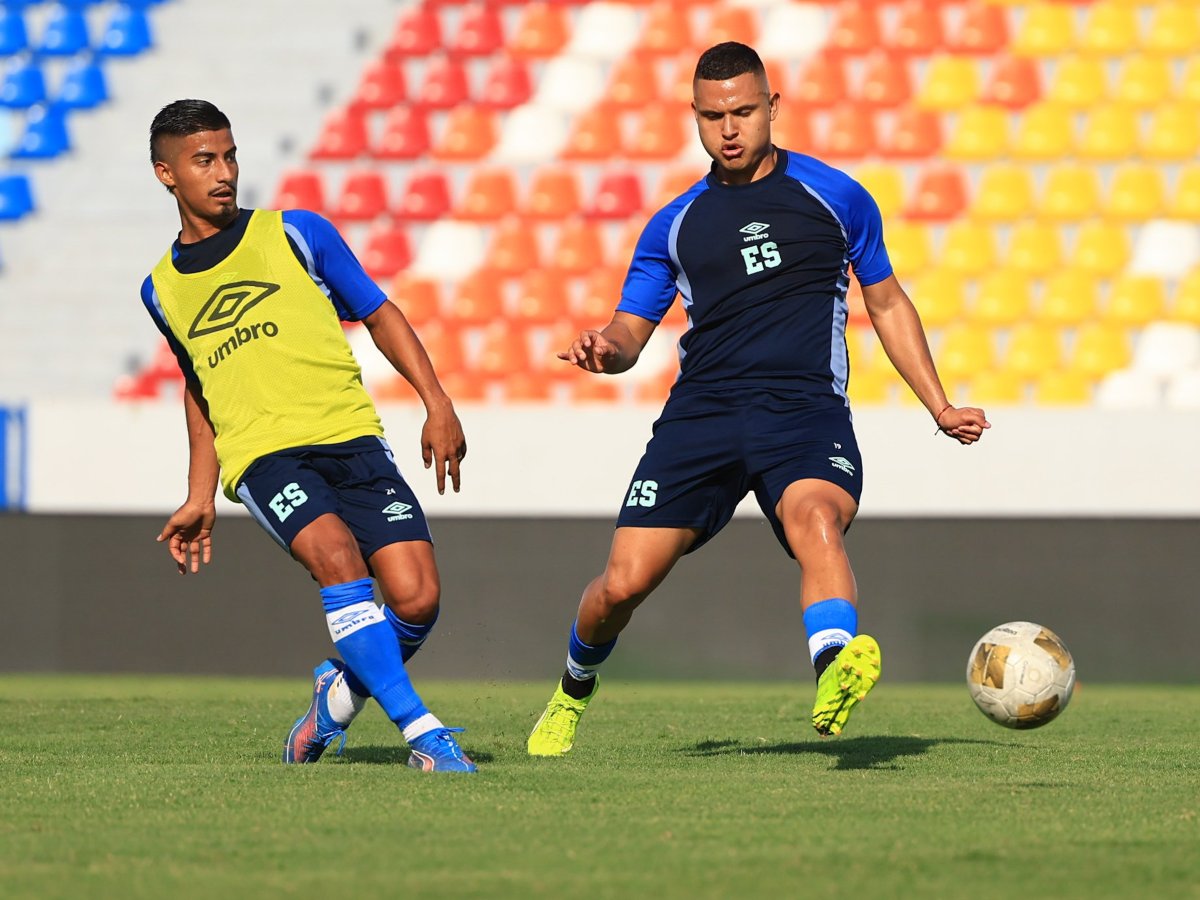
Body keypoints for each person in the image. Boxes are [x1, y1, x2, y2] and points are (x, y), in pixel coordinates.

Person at [527, 43, 990, 756]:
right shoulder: (675, 224)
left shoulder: (836, 197)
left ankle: (834, 669)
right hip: (702, 418)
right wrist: (603, 350)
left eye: (744, 111)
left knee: (817, 521)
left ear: (774, 107)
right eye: (713, 116)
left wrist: (939, 405)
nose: (730, 128)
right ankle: (571, 689)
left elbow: (888, 301)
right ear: (695, 118)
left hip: (803, 413)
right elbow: (629, 333)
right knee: (621, 586)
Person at [142, 99, 476, 773]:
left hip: (352, 438)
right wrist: (199, 493)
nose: (224, 172)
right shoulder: (161, 289)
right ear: (166, 174)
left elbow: (380, 314)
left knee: (417, 598)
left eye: (230, 155)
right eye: (204, 160)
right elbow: (200, 387)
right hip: (264, 457)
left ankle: (338, 698)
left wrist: (435, 401)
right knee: (338, 562)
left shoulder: (299, 233)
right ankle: (426, 737)